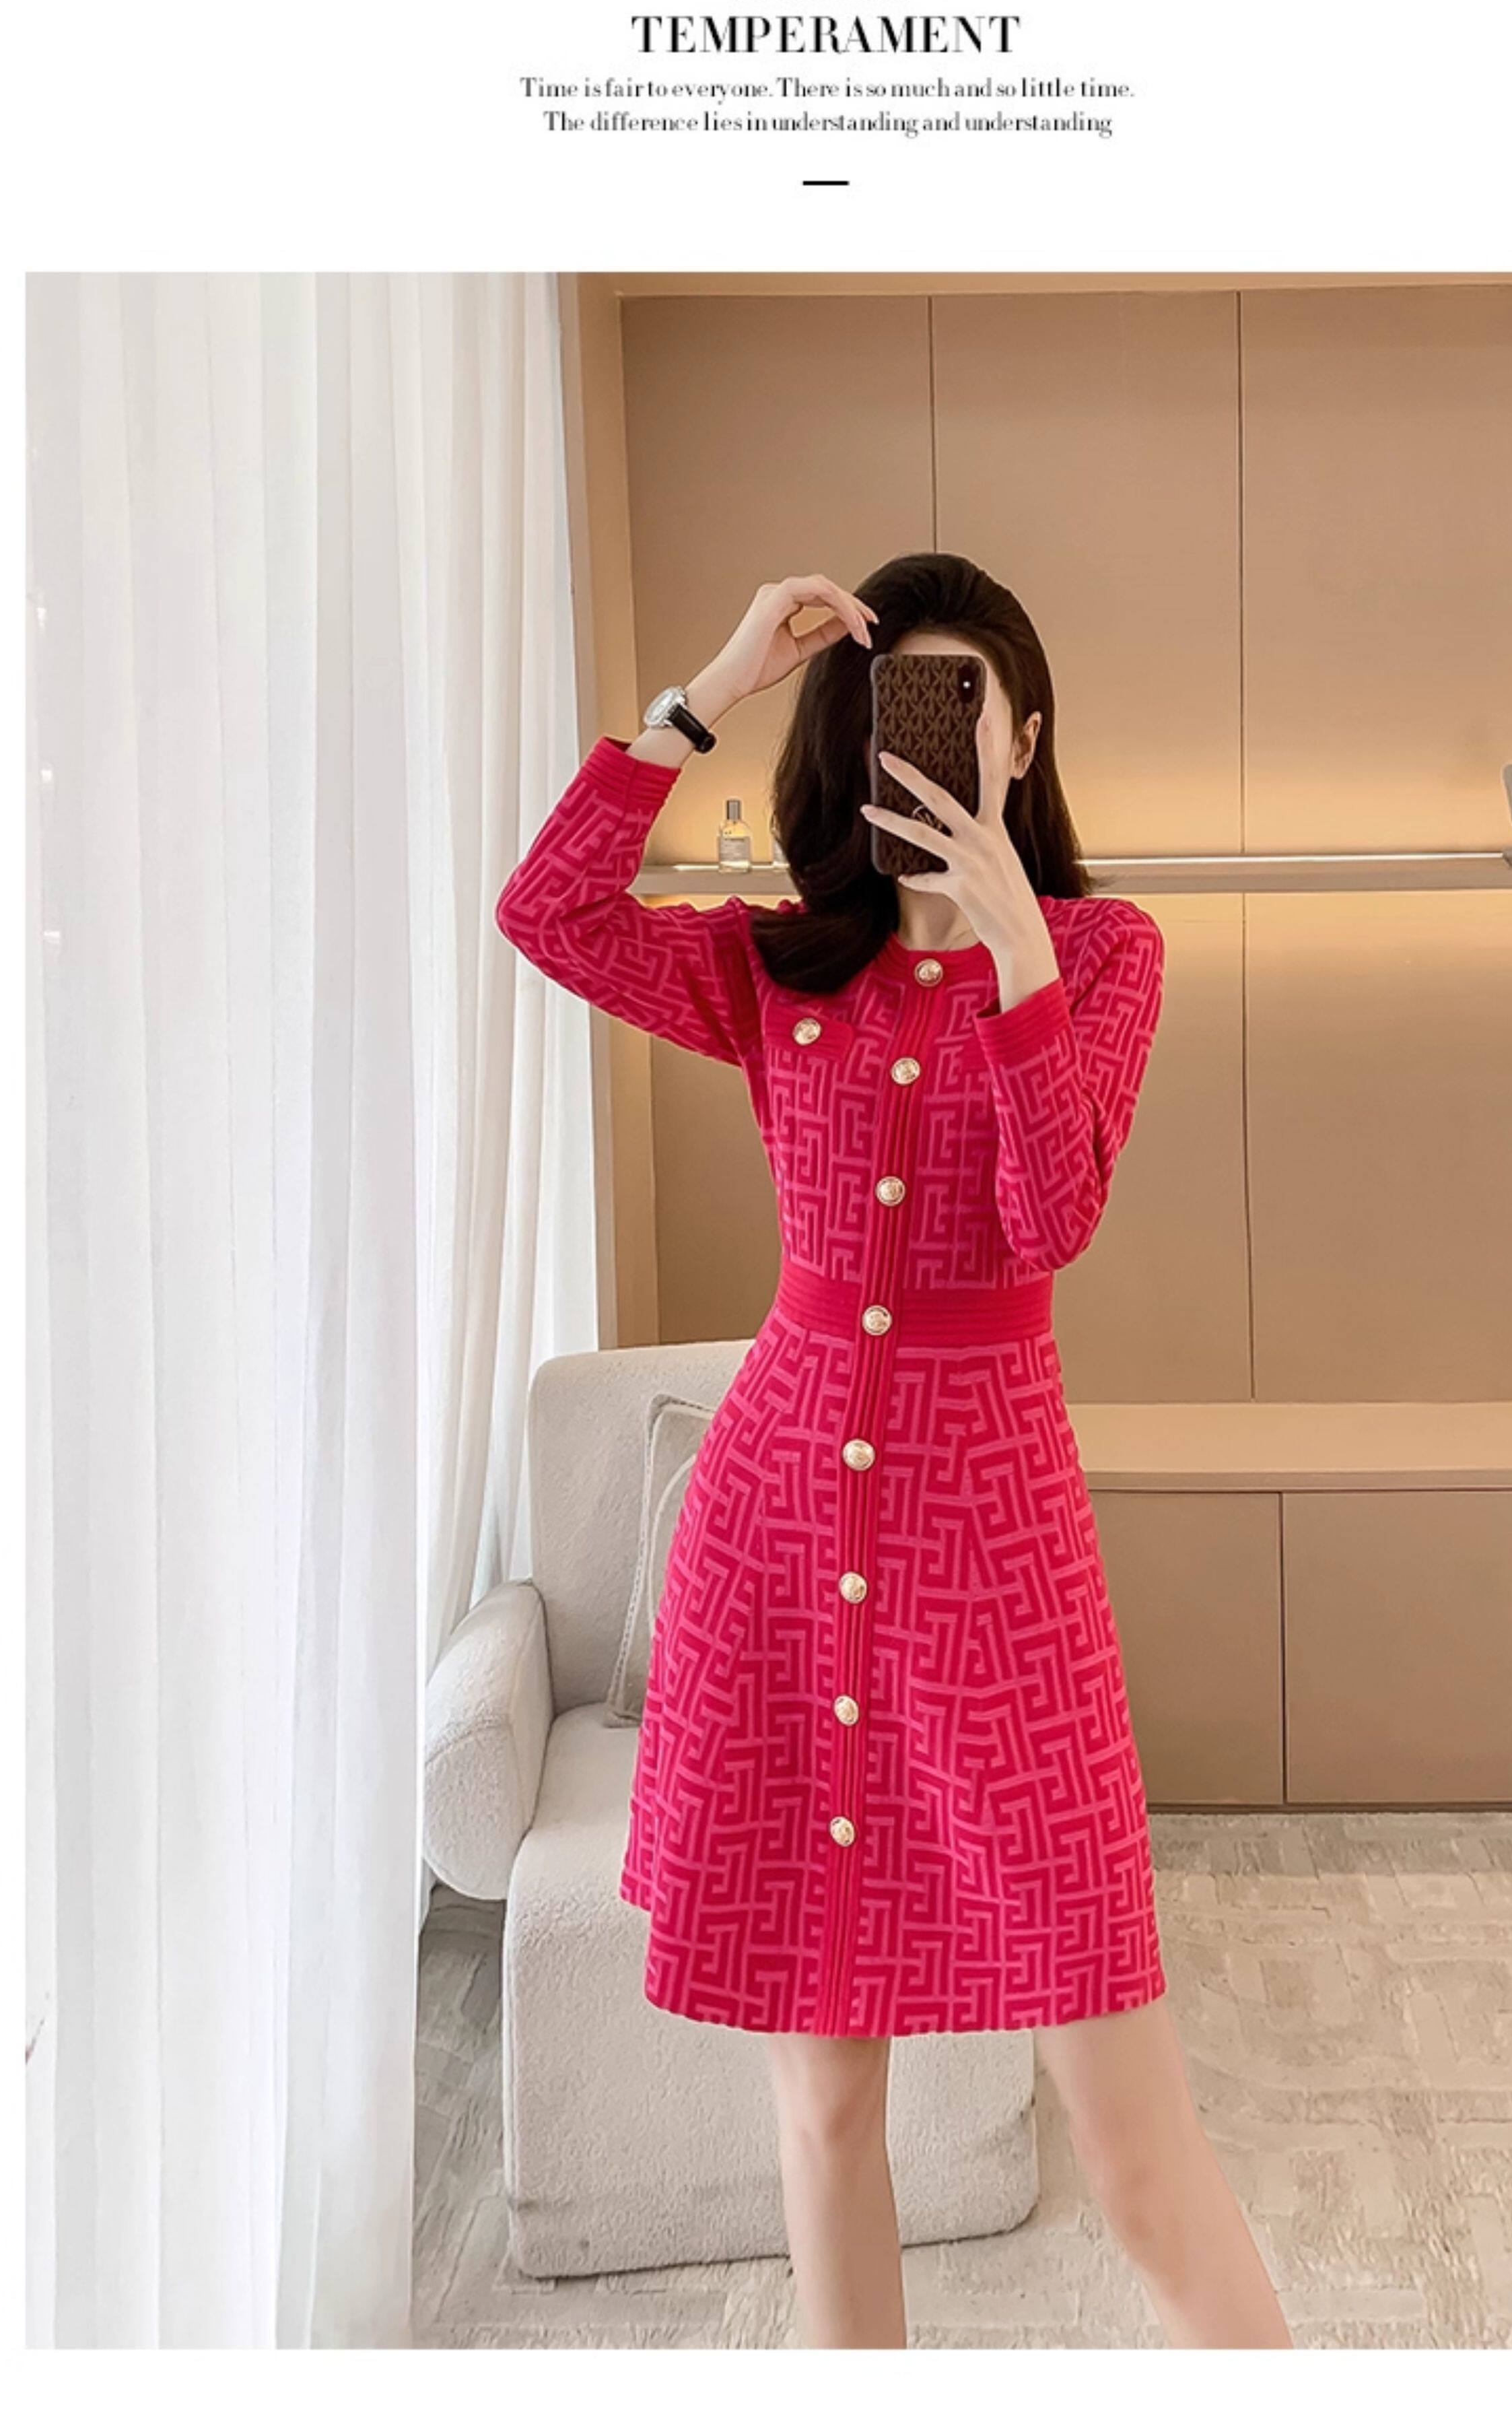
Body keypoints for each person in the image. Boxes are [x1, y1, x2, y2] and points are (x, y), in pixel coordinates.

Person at [496, 551, 1291, 2350]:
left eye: (964, 702)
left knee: (1133, 2154)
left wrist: (1015, 953)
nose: (931, 737)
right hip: (775, 1554)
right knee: (825, 2111)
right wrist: (712, 685)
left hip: (1000, 1575)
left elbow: (1052, 1215)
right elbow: (548, 910)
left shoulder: (1102, 957)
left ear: (1025, 735)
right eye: (891, 710)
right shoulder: (785, 965)